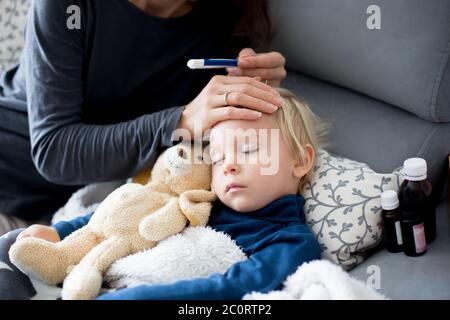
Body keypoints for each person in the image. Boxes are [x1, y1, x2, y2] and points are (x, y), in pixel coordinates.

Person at [0, 0, 287, 235]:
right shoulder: (68, 7)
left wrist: (257, 96)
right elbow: (54, 152)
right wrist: (180, 121)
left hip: (93, 209)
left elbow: (211, 147)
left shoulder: (228, 27)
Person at [15, 89, 327, 299]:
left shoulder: (289, 242)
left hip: (130, 292)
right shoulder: (199, 199)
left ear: (300, 160)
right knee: (12, 254)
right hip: (86, 273)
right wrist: (61, 232)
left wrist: (136, 297)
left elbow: (228, 291)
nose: (229, 166)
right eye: (217, 158)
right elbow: (125, 216)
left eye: (248, 149)